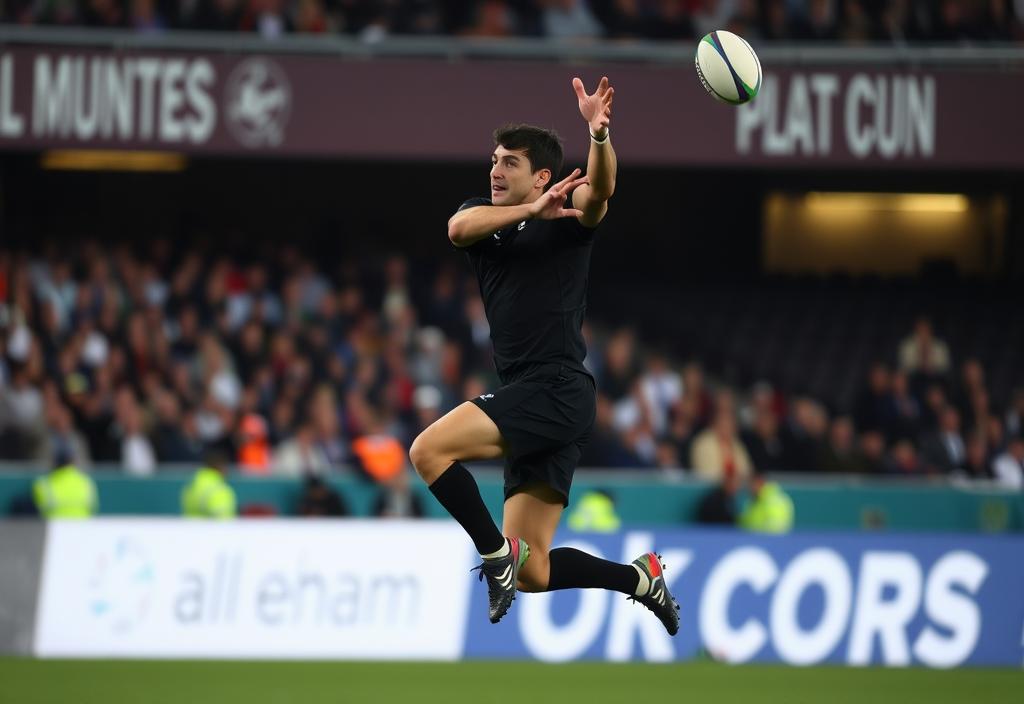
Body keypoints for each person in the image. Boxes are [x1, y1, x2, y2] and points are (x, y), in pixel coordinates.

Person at [409, 76, 678, 634]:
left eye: (509, 162)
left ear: (543, 175)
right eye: (494, 160)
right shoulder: (488, 219)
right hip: (535, 398)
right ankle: (639, 579)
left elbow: (600, 192)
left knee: (427, 451)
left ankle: (491, 554)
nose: (495, 171)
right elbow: (458, 227)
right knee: (533, 570)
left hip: (556, 388)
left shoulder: (569, 220)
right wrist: (529, 209)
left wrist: (598, 136)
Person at [181, 451, 237, 519]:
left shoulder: (190, 486)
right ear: (220, 466)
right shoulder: (220, 489)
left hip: (190, 528)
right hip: (213, 529)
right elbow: (223, 521)